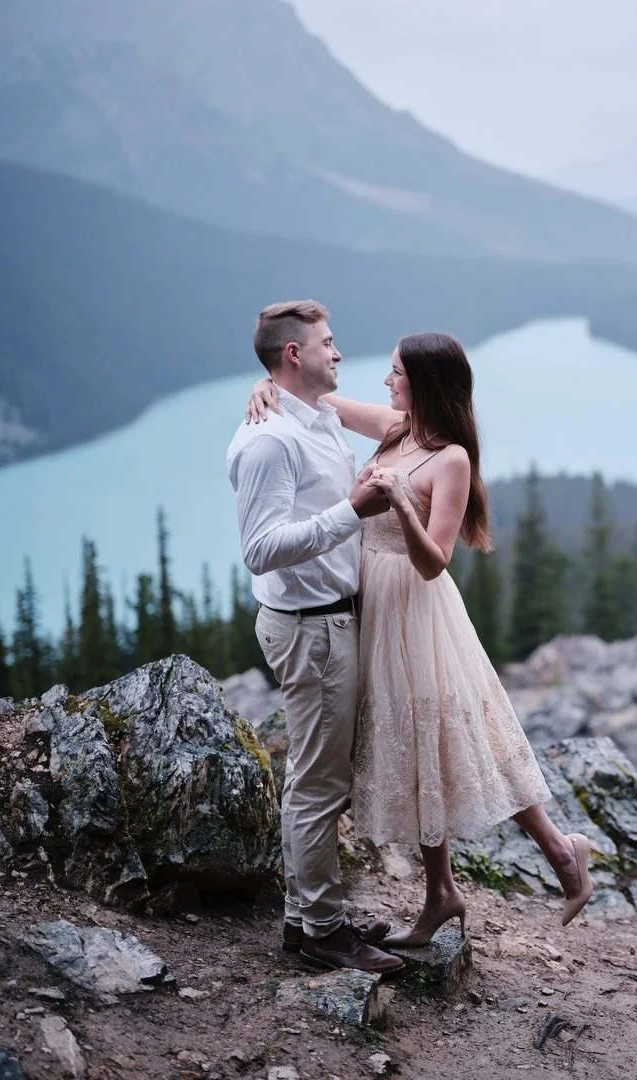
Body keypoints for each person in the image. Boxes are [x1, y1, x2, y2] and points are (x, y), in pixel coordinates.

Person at [246, 331, 593, 944]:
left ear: (425, 382)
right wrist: (267, 388)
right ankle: (442, 893)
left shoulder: (452, 458)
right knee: (415, 743)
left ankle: (563, 856)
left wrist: (402, 504)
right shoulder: (396, 428)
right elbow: (319, 403)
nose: (386, 381)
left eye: (397, 372)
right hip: (371, 604)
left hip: (416, 605)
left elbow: (435, 560)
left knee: (455, 731)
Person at [227, 300, 404, 975]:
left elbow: (398, 421)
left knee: (318, 775)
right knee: (317, 784)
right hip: (312, 628)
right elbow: (261, 549)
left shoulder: (316, 416)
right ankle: (323, 932)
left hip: (329, 620)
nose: (338, 352)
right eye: (327, 344)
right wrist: (352, 511)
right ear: (293, 354)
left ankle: (310, 919)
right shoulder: (270, 439)